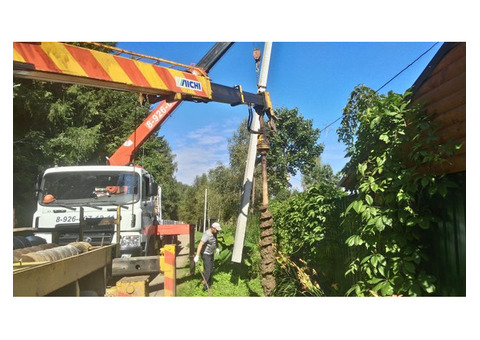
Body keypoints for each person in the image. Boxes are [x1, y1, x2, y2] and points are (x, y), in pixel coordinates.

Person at [194, 222, 222, 290]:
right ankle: (205, 285)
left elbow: (216, 240)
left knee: (211, 269)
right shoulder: (207, 234)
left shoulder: (214, 233)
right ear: (213, 228)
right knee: (208, 270)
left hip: (211, 253)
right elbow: (200, 244)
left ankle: (209, 284)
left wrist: (217, 247)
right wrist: (197, 256)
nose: (217, 231)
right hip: (205, 254)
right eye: (217, 230)